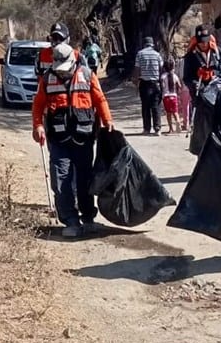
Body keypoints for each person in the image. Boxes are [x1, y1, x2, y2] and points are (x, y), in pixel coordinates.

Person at [32, 42, 114, 238]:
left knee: (85, 179)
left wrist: (107, 120)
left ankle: (88, 218)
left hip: (83, 139)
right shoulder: (47, 79)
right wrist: (38, 126)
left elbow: (100, 99)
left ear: (73, 62)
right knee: (61, 180)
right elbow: (38, 104)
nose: (62, 74)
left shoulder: (87, 75)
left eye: (65, 70)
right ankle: (70, 220)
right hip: (58, 140)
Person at [183, 26, 221, 101]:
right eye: (201, 41)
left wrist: (219, 78)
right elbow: (187, 78)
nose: (204, 44)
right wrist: (195, 84)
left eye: (205, 41)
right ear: (196, 40)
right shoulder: (190, 56)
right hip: (200, 96)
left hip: (219, 93)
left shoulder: (218, 52)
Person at [133, 37, 163, 136]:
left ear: (144, 44)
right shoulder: (157, 55)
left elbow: (137, 69)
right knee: (156, 106)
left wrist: (136, 81)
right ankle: (157, 128)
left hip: (144, 84)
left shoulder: (140, 54)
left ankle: (146, 129)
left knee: (145, 106)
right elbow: (161, 69)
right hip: (156, 83)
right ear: (152, 44)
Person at [160, 57, 182, 133]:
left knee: (168, 113)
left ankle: (171, 129)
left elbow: (162, 87)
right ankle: (178, 121)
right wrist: (178, 93)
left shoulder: (163, 76)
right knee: (175, 112)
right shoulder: (175, 76)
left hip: (166, 97)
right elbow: (179, 85)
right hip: (174, 96)